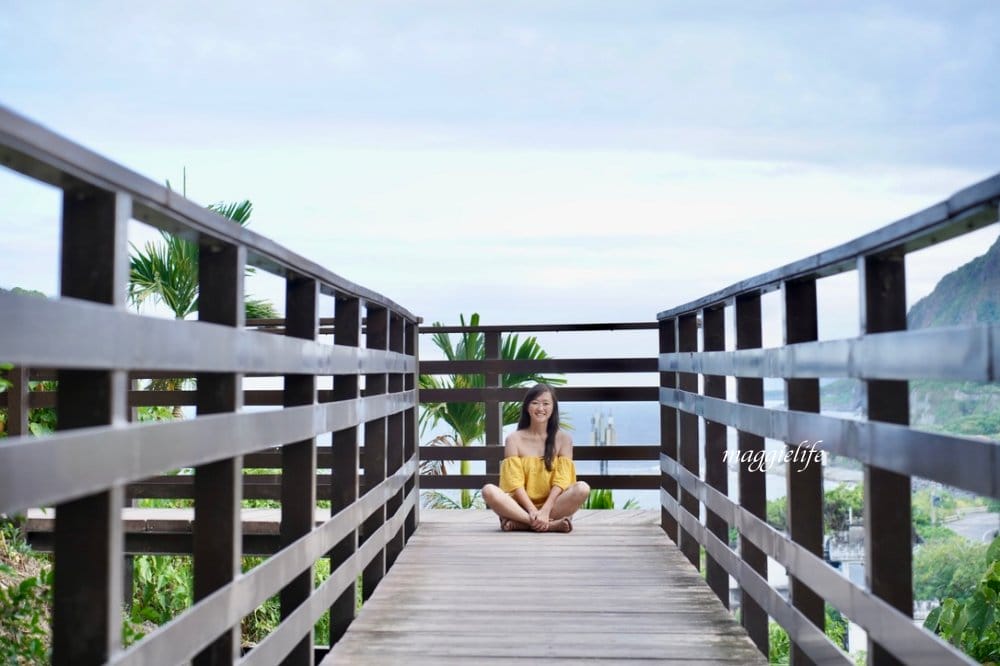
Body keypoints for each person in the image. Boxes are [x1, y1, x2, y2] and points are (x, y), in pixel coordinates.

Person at [482, 383, 590, 532]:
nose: (540, 408)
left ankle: (522, 524)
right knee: (488, 490)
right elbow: (514, 483)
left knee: (582, 488)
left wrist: (545, 509)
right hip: (520, 507)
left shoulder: (564, 439)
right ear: (527, 407)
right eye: (535, 403)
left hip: (553, 506)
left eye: (546, 403)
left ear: (553, 408)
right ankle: (548, 525)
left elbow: (562, 481)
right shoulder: (513, 439)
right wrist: (532, 510)